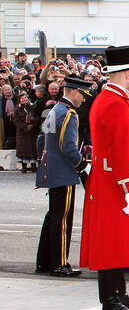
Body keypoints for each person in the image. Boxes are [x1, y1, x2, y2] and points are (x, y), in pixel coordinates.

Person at [80, 47, 129, 310]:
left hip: (109, 181)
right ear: (126, 72)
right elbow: (119, 152)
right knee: (110, 244)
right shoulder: (115, 104)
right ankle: (110, 301)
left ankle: (118, 294)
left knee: (115, 242)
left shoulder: (111, 99)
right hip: (114, 184)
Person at [35, 76, 91, 277]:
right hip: (64, 172)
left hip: (51, 169)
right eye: (82, 95)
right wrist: (83, 165)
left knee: (53, 216)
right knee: (63, 219)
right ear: (74, 91)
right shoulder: (69, 114)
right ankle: (59, 263)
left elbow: (41, 140)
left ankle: (44, 261)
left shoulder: (54, 111)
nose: (83, 100)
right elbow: (69, 147)